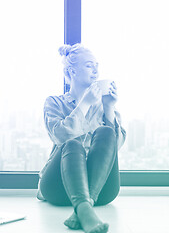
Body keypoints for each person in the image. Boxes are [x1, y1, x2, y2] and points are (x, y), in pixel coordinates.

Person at [36, 43, 127, 233]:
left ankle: (84, 207)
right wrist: (84, 103)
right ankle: (85, 209)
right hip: (58, 188)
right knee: (72, 143)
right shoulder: (54, 103)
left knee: (106, 132)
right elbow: (60, 136)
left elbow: (114, 149)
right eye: (88, 65)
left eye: (96, 65)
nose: (95, 70)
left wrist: (109, 108)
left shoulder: (103, 106)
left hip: (101, 190)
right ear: (72, 71)